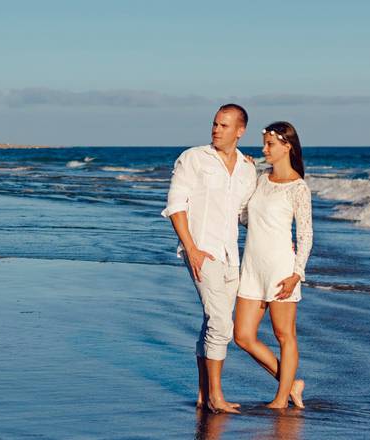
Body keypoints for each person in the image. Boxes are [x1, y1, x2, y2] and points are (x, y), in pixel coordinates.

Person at [162, 104, 257, 413]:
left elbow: (244, 215)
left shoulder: (247, 168)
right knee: (220, 323)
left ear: (240, 131)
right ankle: (216, 396)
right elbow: (176, 205)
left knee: (211, 323)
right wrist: (191, 248)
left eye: (225, 125)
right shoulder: (193, 158)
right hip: (202, 251)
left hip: (231, 254)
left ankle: (204, 395)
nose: (217, 129)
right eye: (215, 123)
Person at [233, 121, 312, 409]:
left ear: (287, 146)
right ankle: (292, 385)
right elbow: (244, 218)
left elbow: (305, 234)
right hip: (252, 267)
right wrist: (246, 174)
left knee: (284, 335)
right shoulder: (261, 179)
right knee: (242, 336)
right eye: (264, 143)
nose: (264, 149)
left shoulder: (298, 188)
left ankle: (281, 398)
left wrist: (297, 274)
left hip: (281, 269)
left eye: (270, 144)